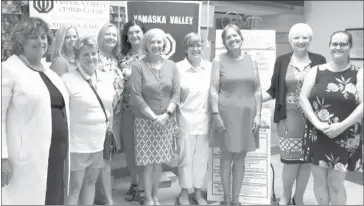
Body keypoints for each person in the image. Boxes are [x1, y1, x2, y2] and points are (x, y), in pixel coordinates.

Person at [1, 17, 70, 205]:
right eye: (34, 37)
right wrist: (2, 157)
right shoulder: (8, 69)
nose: (40, 42)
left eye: (43, 37)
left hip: (56, 152)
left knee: (53, 198)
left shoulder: (50, 73)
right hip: (25, 157)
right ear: (20, 40)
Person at [262, 23, 327, 205]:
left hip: (312, 119)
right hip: (288, 119)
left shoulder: (319, 60)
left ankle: (298, 198)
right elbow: (273, 90)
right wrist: (251, 98)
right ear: (290, 40)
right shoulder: (282, 60)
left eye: (305, 37)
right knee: (290, 162)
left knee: (306, 161)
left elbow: (324, 90)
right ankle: (285, 195)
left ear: (310, 39)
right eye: (297, 37)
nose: (301, 41)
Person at [299, 30, 363, 205]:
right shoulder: (316, 71)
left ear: (350, 47)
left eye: (343, 44)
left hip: (345, 136)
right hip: (317, 133)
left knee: (335, 184)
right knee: (319, 182)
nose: (338, 47)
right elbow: (303, 98)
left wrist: (341, 126)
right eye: (334, 43)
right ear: (329, 46)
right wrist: (317, 123)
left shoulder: (359, 73)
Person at [209, 24, 262, 205]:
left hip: (247, 113)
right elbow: (214, 90)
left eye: (235, 36)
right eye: (228, 37)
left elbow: (257, 90)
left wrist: (258, 114)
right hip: (226, 113)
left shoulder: (251, 60)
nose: (233, 39)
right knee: (226, 156)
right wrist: (215, 114)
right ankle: (226, 199)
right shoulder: (219, 60)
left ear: (241, 37)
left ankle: (236, 200)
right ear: (224, 42)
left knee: (240, 157)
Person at [62, 36, 115, 205]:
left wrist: (109, 130)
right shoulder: (67, 80)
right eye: (86, 54)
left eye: (94, 53)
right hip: (78, 144)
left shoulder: (106, 78)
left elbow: (110, 108)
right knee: (74, 187)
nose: (91, 58)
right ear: (77, 57)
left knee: (91, 182)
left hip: (98, 142)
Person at [131, 28, 180, 205]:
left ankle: (156, 195)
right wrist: (153, 117)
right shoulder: (138, 66)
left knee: (159, 162)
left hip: (166, 121)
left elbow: (176, 93)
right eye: (152, 42)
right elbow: (136, 95)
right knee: (147, 163)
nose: (156, 45)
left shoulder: (172, 66)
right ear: (146, 45)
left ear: (164, 44)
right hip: (145, 122)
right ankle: (148, 198)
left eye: (159, 42)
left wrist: (166, 115)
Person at [176, 32, 211, 205]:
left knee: (201, 159)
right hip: (185, 122)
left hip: (205, 122)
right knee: (185, 159)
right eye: (192, 45)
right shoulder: (178, 68)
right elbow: (173, 97)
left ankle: (197, 193)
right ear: (185, 48)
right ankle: (183, 192)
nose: (196, 49)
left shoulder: (211, 68)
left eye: (199, 45)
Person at [94, 22, 123, 206]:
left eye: (114, 35)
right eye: (107, 34)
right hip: (100, 114)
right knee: (104, 156)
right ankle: (108, 199)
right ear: (101, 36)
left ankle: (101, 195)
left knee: (107, 155)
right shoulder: (94, 56)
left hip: (115, 114)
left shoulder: (114, 59)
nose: (111, 38)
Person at [118, 19, 146, 202]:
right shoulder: (121, 58)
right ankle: (134, 183)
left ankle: (144, 186)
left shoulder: (152, 54)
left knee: (144, 149)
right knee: (130, 149)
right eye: (131, 33)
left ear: (143, 33)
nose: (135, 36)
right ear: (127, 37)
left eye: (138, 32)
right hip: (127, 110)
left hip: (146, 111)